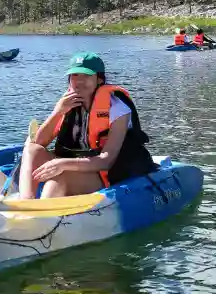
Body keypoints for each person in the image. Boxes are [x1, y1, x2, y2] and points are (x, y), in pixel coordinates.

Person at [16, 52, 157, 199]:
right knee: (32, 149)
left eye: (86, 75)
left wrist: (63, 164)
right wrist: (57, 112)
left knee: (61, 176)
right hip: (74, 164)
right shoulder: (66, 104)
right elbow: (39, 142)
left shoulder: (118, 109)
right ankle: (26, 202)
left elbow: (106, 161)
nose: (79, 81)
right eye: (75, 75)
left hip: (104, 172)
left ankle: (43, 211)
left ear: (99, 79)